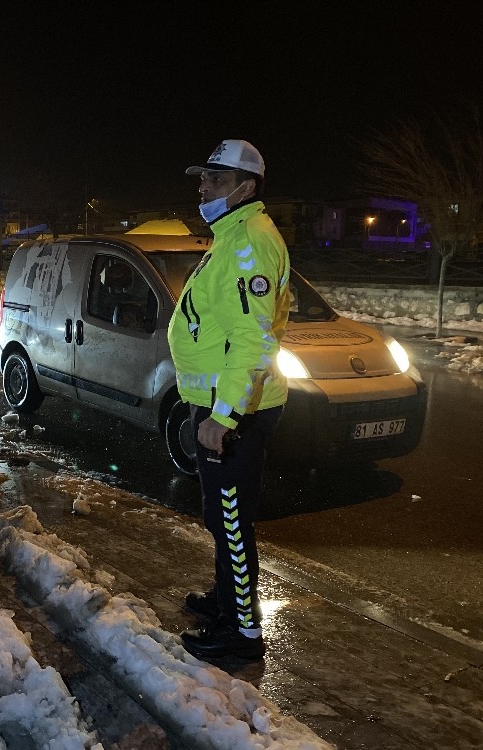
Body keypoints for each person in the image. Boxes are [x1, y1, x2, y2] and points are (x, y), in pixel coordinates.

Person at [166, 139, 290, 660]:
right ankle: (225, 601)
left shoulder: (247, 245)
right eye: (202, 178)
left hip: (235, 409)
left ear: (244, 187)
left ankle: (243, 634)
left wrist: (224, 416)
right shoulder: (231, 235)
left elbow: (253, 339)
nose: (203, 187)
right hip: (218, 401)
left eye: (213, 179)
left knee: (231, 521)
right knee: (220, 515)